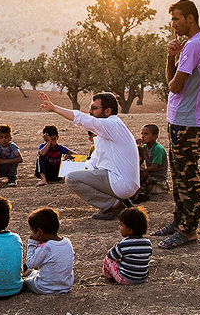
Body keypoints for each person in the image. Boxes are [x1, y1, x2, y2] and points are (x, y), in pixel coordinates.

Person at [157, 0, 200, 249]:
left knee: (187, 176)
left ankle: (188, 230)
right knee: (178, 173)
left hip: (187, 122)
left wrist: (172, 59)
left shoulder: (193, 47)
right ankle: (179, 221)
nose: (173, 25)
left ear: (191, 18)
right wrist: (172, 56)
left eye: (177, 19)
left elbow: (174, 85)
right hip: (183, 120)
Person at [38, 91, 140, 221]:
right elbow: (94, 162)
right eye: (90, 108)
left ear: (108, 111)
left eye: (94, 108)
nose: (90, 111)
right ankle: (120, 202)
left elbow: (81, 118)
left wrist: (54, 108)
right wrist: (72, 165)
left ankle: (113, 205)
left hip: (121, 183)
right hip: (122, 182)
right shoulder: (107, 131)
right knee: (72, 169)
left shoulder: (112, 124)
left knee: (71, 179)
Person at [22, 207, 74, 294]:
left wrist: (32, 242)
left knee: (24, 283)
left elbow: (30, 263)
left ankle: (29, 274)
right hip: (66, 285)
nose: (32, 234)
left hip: (46, 287)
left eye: (33, 232)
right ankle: (32, 273)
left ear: (40, 232)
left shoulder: (46, 247)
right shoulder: (67, 242)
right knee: (36, 273)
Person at [103, 206, 152, 284]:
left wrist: (115, 247)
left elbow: (110, 255)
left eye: (121, 225)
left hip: (126, 279)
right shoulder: (148, 243)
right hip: (142, 279)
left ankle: (109, 276)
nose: (119, 227)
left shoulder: (123, 244)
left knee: (108, 259)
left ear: (129, 230)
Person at [133, 124, 169, 202]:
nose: (142, 136)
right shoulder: (145, 147)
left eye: (146, 134)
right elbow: (137, 158)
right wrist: (136, 146)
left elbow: (154, 167)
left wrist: (141, 172)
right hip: (150, 177)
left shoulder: (157, 149)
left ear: (155, 137)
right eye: (142, 133)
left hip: (158, 180)